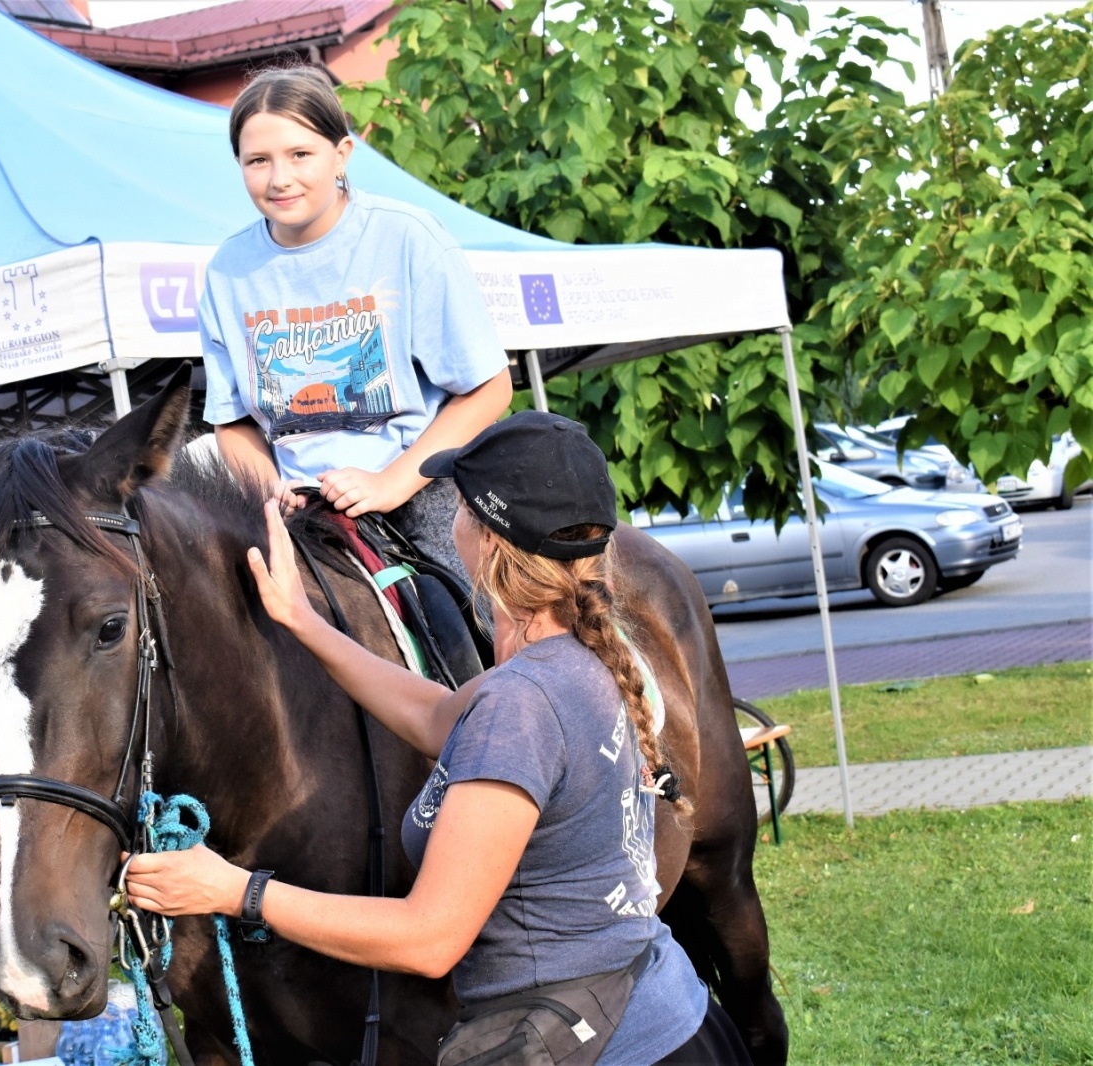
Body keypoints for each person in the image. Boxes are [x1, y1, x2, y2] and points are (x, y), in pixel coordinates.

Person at [124, 413, 751, 1064]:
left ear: (487, 540)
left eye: (460, 502)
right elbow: (434, 717)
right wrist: (304, 622)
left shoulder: (521, 705)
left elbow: (430, 938)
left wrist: (233, 890)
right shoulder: (573, 660)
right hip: (666, 1021)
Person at [199, 65, 512, 585]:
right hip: (298, 515)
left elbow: (489, 389)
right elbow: (231, 421)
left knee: (471, 619)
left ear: (341, 153)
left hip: (420, 493)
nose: (280, 178)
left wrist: (388, 484)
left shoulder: (407, 238)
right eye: (258, 160)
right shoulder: (227, 271)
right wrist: (269, 489)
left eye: (301, 154)